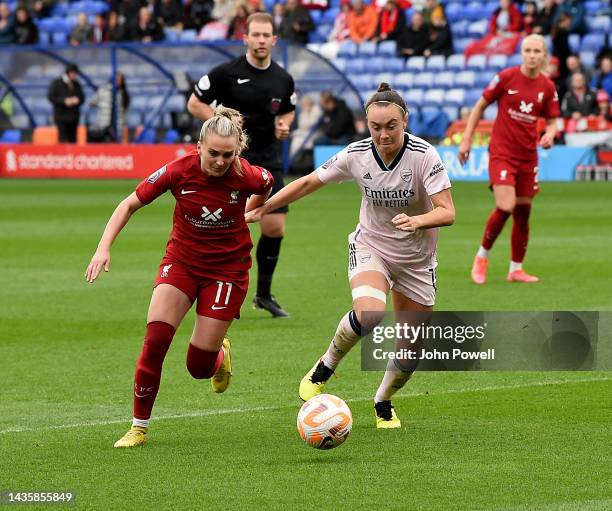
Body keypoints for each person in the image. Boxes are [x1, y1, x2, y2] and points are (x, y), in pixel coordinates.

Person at [246, 83, 455, 428]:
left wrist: (418, 220)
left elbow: (447, 211)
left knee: (410, 352)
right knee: (370, 314)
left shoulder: (424, 155)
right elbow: (310, 182)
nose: (384, 134)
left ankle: (382, 401)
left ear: (405, 121)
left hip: (417, 261)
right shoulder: (356, 154)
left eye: (391, 126)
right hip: (372, 247)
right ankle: (325, 365)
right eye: (376, 127)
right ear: (366, 125)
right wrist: (266, 207)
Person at [85, 107, 275, 448]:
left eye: (227, 155)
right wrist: (103, 248)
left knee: (198, 367)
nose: (219, 161)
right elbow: (129, 204)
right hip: (182, 263)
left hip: (228, 271)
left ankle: (218, 357)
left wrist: (252, 210)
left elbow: (267, 183)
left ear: (237, 152)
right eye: (213, 153)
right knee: (155, 339)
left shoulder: (247, 175)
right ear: (199, 146)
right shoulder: (178, 171)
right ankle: (138, 427)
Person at [187, 12, 296, 318]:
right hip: (231, 160)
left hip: (269, 158)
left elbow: (287, 110)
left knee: (274, 228)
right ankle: (220, 290)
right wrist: (221, 124)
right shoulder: (225, 73)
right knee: (231, 226)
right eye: (256, 35)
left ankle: (263, 294)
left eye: (266, 35)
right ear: (245, 38)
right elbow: (194, 104)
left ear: (273, 40)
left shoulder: (283, 79)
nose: (261, 40)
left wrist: (284, 126)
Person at [459, 34, 560, 285]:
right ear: (522, 53)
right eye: (527, 50)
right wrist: (467, 138)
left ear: (544, 55)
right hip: (502, 153)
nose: (532, 55)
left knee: (523, 212)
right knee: (506, 206)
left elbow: (553, 120)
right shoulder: (506, 77)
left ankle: (516, 269)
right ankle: (482, 258)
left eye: (537, 50)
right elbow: (480, 106)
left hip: (528, 156)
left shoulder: (547, 87)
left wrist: (550, 133)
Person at [47, 63, 85, 143]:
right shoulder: (57, 83)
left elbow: (82, 98)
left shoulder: (77, 84)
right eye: (73, 73)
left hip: (74, 117)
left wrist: (77, 100)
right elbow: (51, 97)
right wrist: (64, 101)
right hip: (61, 116)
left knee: (73, 139)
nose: (75, 76)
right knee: (63, 140)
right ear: (68, 73)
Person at [88, 71, 130, 142]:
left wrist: (124, 126)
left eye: (119, 80)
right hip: (103, 125)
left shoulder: (124, 94)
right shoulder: (103, 90)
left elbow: (125, 112)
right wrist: (101, 104)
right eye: (116, 79)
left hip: (117, 127)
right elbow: (92, 102)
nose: (117, 82)